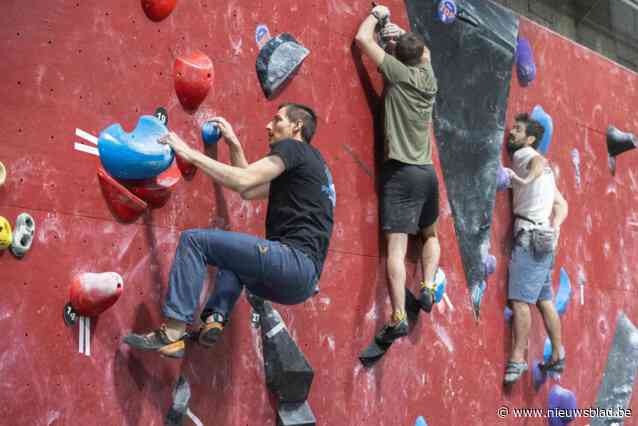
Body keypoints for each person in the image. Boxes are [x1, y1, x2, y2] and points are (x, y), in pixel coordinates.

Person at [123, 103, 335, 358]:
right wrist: (234, 144)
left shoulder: (294, 148)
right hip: (301, 285)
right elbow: (247, 188)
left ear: (297, 126)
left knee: (194, 242)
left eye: (277, 120)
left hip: (293, 262)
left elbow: (243, 180)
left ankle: (173, 332)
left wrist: (189, 154)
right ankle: (216, 316)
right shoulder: (314, 168)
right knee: (234, 260)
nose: (269, 126)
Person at [354, 4, 440, 342]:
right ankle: (429, 283)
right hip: (427, 172)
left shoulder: (396, 72)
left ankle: (399, 314)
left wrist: (378, 16)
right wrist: (398, 34)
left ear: (397, 57)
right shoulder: (428, 78)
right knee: (430, 236)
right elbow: (423, 52)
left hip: (401, 173)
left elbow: (362, 39)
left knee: (396, 249)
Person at [502, 113, 568, 384]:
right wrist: (557, 226)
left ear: (529, 139)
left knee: (520, 302)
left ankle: (517, 360)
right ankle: (558, 355)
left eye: (517, 130)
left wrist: (525, 181)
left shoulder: (524, 155)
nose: (512, 133)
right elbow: (562, 205)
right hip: (545, 238)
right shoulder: (549, 174)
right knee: (544, 300)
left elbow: (537, 161)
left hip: (529, 239)